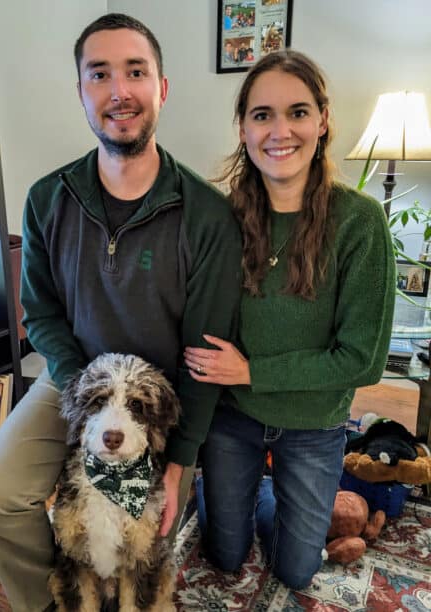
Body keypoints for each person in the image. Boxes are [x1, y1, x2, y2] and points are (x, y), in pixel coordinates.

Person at [0, 13, 242, 612]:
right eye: (100, 74)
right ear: (82, 92)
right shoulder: (47, 200)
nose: (119, 90)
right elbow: (39, 314)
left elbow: (206, 354)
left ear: (161, 88)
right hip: (75, 382)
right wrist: (80, 394)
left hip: (160, 402)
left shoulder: (207, 216)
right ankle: (57, 600)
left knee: (148, 533)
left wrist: (179, 461)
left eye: (135, 72)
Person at [184, 50, 396, 590]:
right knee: (225, 557)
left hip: (315, 423)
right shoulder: (221, 217)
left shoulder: (360, 221)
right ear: (243, 127)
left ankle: (280, 491)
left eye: (298, 112)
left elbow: (364, 361)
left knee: (297, 571)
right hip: (232, 418)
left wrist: (252, 371)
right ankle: (238, 489)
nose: (281, 131)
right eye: (262, 115)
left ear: (323, 121)